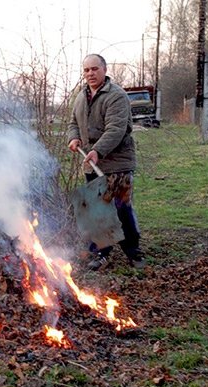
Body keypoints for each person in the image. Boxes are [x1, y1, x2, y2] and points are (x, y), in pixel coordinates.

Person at [67, 53, 145, 270]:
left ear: (104, 70)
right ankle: (101, 253)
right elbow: (73, 122)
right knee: (97, 210)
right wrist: (73, 137)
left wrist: (98, 151)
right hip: (92, 162)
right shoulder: (81, 97)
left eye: (95, 69)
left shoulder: (116, 96)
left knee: (120, 207)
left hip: (117, 163)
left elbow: (116, 129)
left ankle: (133, 251)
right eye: (86, 70)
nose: (90, 73)